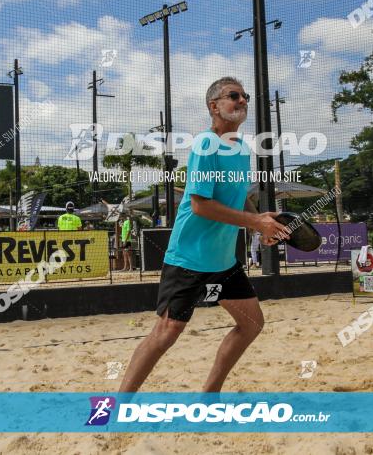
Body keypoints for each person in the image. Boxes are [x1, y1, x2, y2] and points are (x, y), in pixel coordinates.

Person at [118, 77, 289, 393]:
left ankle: (209, 395)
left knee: (251, 324)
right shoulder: (205, 145)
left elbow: (239, 194)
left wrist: (260, 218)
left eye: (245, 96)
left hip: (223, 260)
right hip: (190, 257)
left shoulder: (240, 148)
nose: (242, 101)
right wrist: (254, 223)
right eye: (233, 96)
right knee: (168, 331)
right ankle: (119, 405)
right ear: (214, 106)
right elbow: (200, 205)